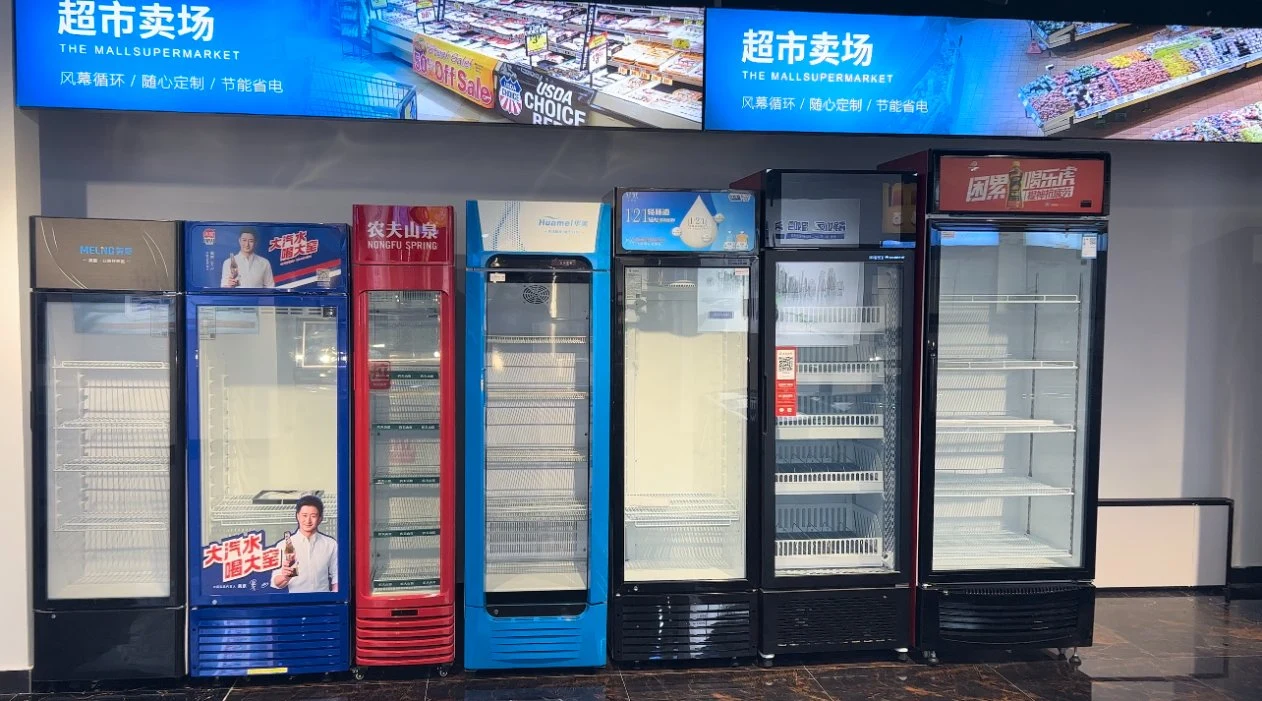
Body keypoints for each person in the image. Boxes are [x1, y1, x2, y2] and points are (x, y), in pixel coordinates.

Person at [271, 495, 338, 593]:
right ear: (297, 516)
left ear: (320, 518)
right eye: (304, 515)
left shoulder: (330, 544)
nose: (308, 521)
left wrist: (334, 601)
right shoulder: (284, 545)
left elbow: (337, 576)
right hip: (296, 603)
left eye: (313, 516)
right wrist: (285, 577)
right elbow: (276, 582)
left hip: (323, 601)